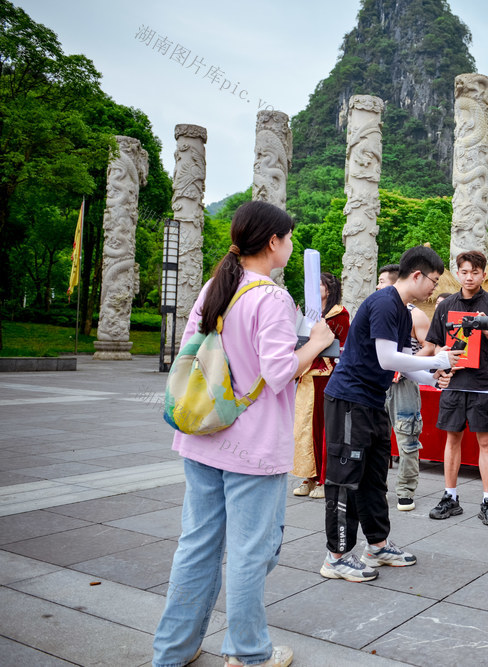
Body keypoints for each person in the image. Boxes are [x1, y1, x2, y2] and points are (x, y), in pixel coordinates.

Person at [153, 200, 335, 667]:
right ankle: (249, 652)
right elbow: (277, 372)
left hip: (203, 433)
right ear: (273, 242)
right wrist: (316, 342)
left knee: (196, 544)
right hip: (252, 446)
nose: (291, 247)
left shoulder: (216, 285)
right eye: (289, 239)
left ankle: (173, 651)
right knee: (253, 553)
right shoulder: (270, 296)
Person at [320, 246, 460, 582]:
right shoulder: (385, 302)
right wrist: (435, 361)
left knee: (373, 477)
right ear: (416, 275)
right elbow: (387, 358)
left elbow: (403, 363)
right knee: (345, 479)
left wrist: (434, 378)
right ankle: (336, 556)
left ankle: (378, 545)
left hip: (371, 401)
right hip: (349, 401)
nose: (434, 288)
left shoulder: (402, 310)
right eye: (433, 281)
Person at [425, 250, 488, 526]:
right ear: (458, 273)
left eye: (475, 272)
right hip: (454, 381)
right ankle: (451, 496)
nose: (470, 276)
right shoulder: (446, 305)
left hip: (484, 383)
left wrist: (486, 329)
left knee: (486, 442)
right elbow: (436, 344)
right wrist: (444, 361)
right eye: (464, 271)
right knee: (452, 439)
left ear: (484, 274)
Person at [376, 264, 433, 512]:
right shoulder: (378, 309)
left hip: (405, 383)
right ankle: (378, 489)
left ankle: (405, 490)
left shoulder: (416, 314)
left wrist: (405, 365)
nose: (377, 286)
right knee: (376, 439)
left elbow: (430, 346)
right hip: (378, 382)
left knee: (407, 438)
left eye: (381, 281)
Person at [292, 273, 350, 499]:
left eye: (319, 286)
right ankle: (309, 476)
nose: (314, 290)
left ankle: (326, 478)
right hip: (306, 374)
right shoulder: (310, 315)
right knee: (306, 428)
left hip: (326, 375)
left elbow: (343, 347)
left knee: (325, 428)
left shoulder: (339, 314)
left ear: (329, 288)